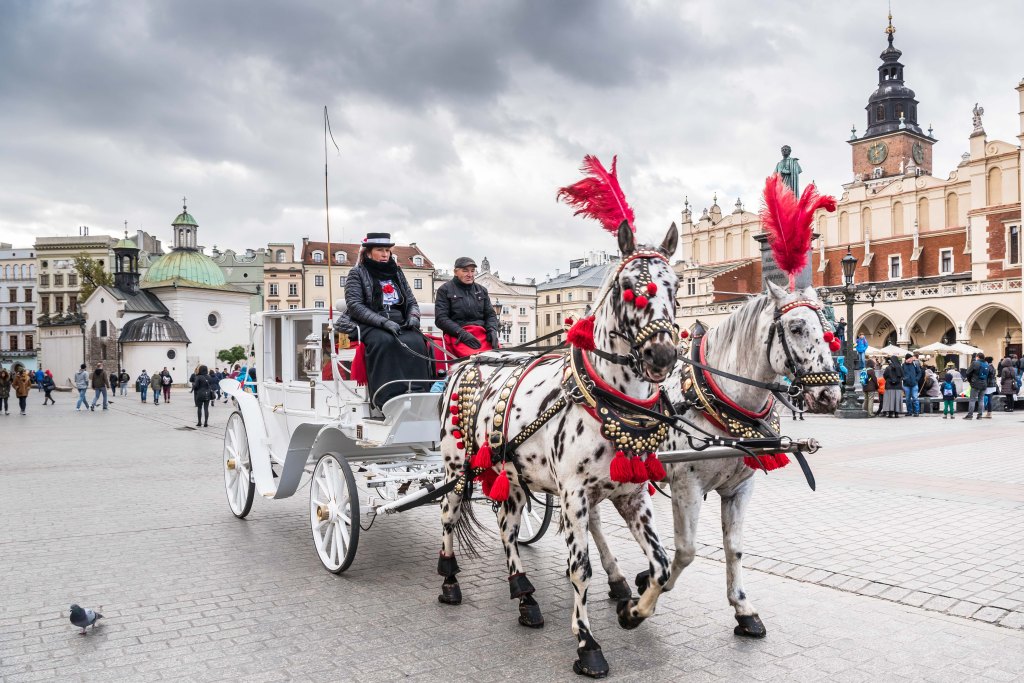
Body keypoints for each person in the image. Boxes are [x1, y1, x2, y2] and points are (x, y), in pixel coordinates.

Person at [337, 231, 432, 409]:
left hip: (399, 320)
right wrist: (383, 322)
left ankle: (418, 390)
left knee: (416, 341)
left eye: (387, 251)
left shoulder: (396, 272)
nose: (385, 254)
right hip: (369, 322)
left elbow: (411, 300)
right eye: (380, 250)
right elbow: (355, 305)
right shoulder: (356, 273)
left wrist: (413, 317)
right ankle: (386, 396)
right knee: (384, 341)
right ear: (368, 252)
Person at [435, 256, 500, 358]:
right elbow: (441, 319)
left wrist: (492, 330)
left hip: (481, 334)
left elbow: (490, 315)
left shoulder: (482, 290)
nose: (470, 275)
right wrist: (461, 333)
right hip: (458, 335)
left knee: (499, 358)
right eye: (465, 271)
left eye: (472, 271)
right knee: (476, 360)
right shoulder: (444, 290)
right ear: (455, 272)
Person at [963, 353, 988, 419]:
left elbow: (968, 372)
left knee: (972, 400)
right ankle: (980, 415)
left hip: (975, 384)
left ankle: (970, 415)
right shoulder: (986, 364)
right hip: (984, 384)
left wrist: (970, 380)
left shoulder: (975, 363)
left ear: (978, 357)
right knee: (981, 400)